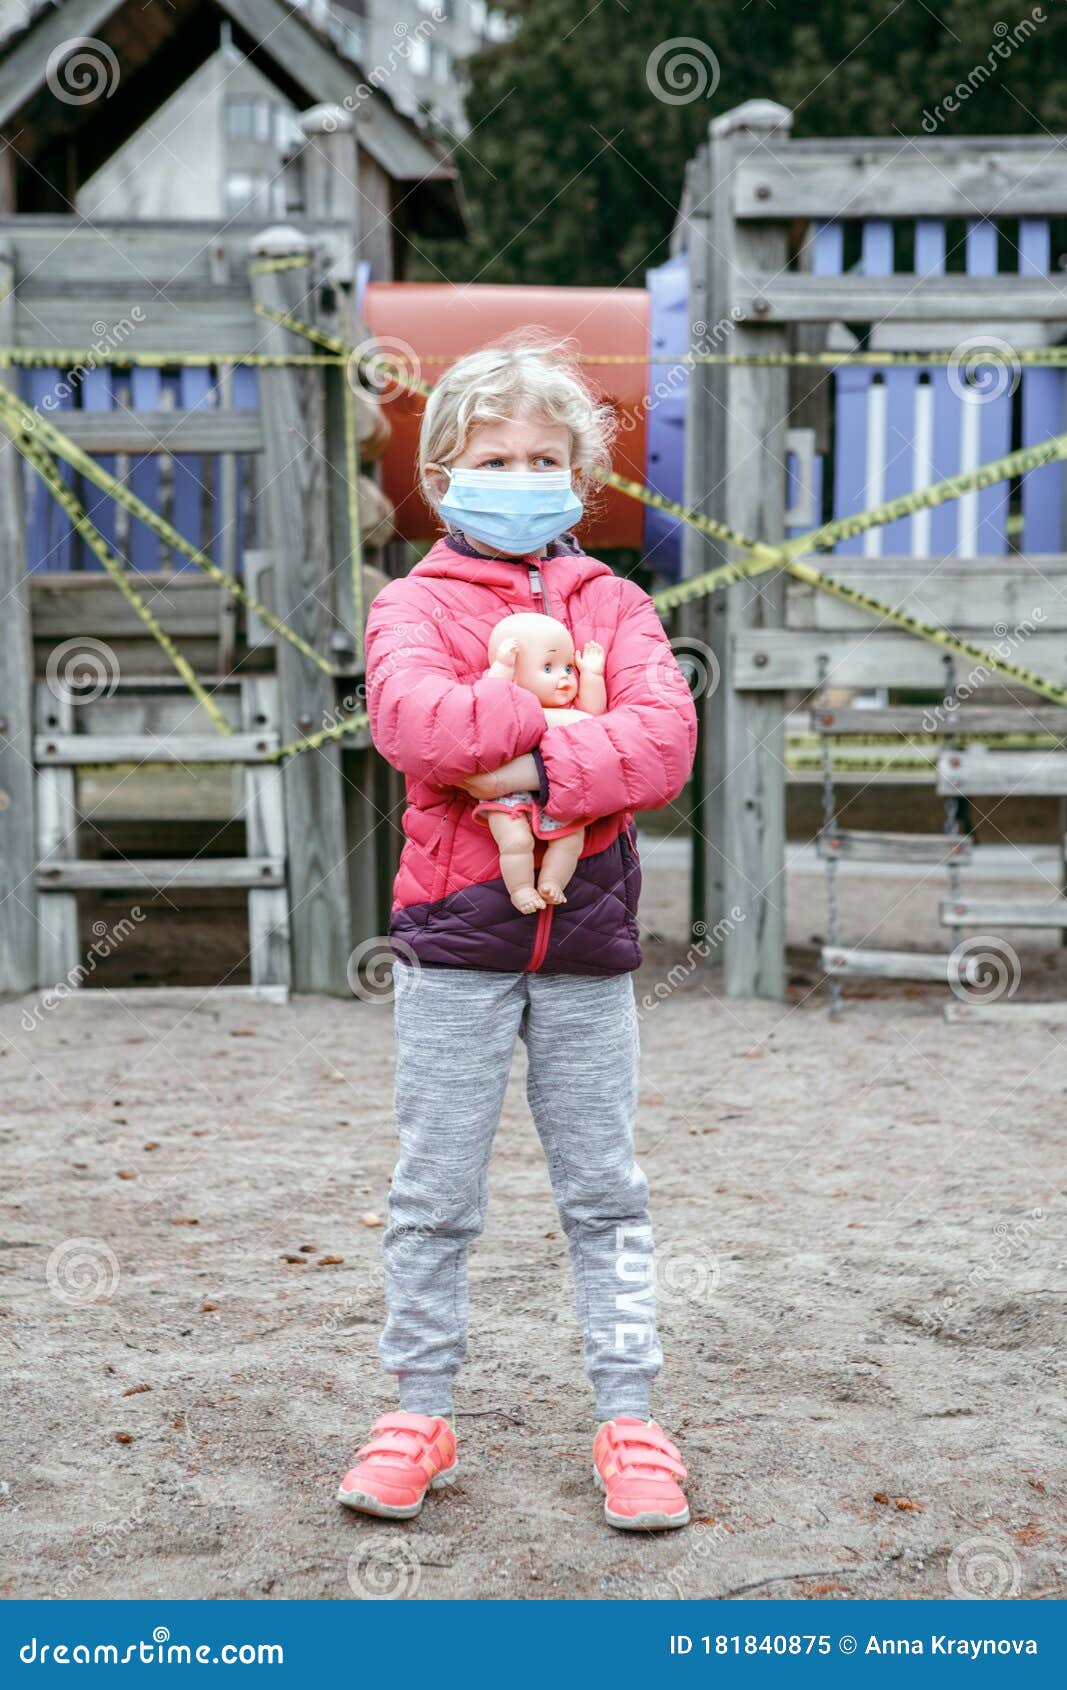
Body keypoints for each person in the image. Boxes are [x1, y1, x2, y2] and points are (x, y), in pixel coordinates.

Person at [337, 335, 697, 1531]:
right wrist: (545, 699)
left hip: (587, 946)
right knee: (434, 1187)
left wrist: (524, 754)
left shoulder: (617, 600)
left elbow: (664, 744)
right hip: (454, 941)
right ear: (444, 472)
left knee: (606, 1189)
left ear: (580, 477)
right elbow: (413, 724)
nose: (522, 471)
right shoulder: (410, 603)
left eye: (547, 456)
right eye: (497, 455)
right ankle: (417, 1405)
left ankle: (630, 1412)